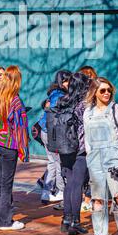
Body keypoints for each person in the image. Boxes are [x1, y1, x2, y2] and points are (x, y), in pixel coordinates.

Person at [84, 77, 118, 235]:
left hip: (115, 158)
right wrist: (89, 157)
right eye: (103, 90)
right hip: (95, 160)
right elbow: (87, 139)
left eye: (109, 90)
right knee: (97, 200)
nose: (107, 93)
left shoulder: (116, 109)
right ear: (94, 92)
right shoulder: (88, 112)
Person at [0, 65, 30, 231]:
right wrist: (24, 151)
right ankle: (5, 221)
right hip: (10, 145)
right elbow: (20, 128)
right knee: (6, 184)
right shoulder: (14, 101)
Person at [58, 72, 91, 235]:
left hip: (65, 148)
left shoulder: (63, 101)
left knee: (69, 184)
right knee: (77, 185)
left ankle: (66, 220)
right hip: (80, 149)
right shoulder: (84, 105)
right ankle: (75, 222)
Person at [38, 70, 72, 204]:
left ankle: (47, 192)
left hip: (47, 131)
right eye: (66, 80)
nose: (69, 83)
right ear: (61, 81)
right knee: (58, 162)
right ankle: (60, 191)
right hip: (52, 133)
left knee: (52, 162)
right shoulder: (59, 95)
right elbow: (53, 110)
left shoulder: (54, 93)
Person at [78, 66, 98, 212]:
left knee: (88, 172)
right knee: (89, 172)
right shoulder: (87, 97)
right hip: (87, 140)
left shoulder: (92, 94)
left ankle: (86, 199)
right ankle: (87, 199)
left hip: (85, 140)